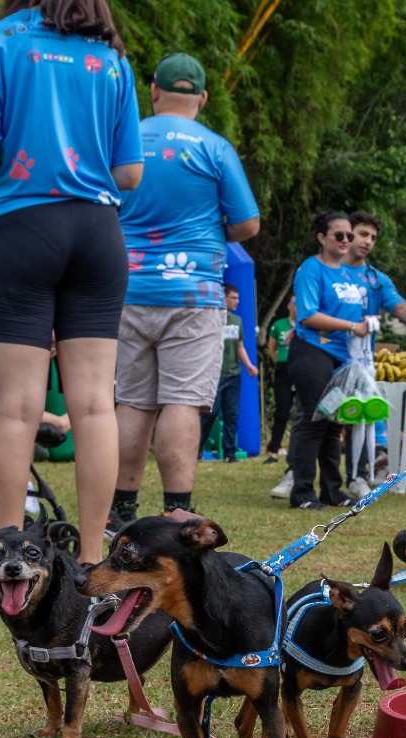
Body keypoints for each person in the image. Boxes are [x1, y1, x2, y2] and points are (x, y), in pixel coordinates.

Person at [0, 0, 141, 563]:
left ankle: (12, 554)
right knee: (94, 406)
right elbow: (129, 173)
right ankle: (91, 557)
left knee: (14, 405)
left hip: (23, 226)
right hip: (98, 231)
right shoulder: (112, 55)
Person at [110, 52, 259, 531]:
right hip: (193, 293)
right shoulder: (214, 148)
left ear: (152, 92)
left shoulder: (124, 137)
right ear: (203, 97)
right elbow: (248, 223)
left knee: (131, 402)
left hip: (128, 287)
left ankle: (119, 511)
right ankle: (176, 512)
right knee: (181, 401)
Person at [287, 212, 370, 511]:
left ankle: (332, 491)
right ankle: (302, 492)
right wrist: (351, 327)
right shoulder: (311, 269)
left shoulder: (347, 274)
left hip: (341, 356)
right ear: (322, 237)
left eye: (349, 235)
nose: (346, 240)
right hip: (312, 352)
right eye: (339, 235)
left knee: (335, 425)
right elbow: (307, 314)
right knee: (314, 422)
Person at [343, 210, 406, 495]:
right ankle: (299, 475)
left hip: (360, 361)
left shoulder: (376, 279)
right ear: (346, 233)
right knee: (317, 423)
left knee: (361, 420)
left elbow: (397, 304)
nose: (368, 242)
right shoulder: (327, 269)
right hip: (326, 353)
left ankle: (358, 477)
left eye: (373, 237)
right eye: (363, 234)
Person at [198, 284, 257, 461]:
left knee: (232, 414)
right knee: (210, 413)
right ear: (224, 299)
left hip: (234, 374)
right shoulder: (211, 318)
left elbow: (240, 346)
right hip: (215, 374)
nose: (237, 301)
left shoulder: (237, 321)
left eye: (238, 298)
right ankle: (197, 449)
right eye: (234, 298)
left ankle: (229, 453)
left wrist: (249, 365)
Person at [264, 293, 296, 474]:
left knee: (303, 413)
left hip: (302, 369)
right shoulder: (279, 325)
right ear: (288, 306)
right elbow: (272, 349)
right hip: (283, 369)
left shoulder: (307, 324)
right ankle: (273, 451)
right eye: (294, 303)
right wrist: (280, 362)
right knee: (282, 410)